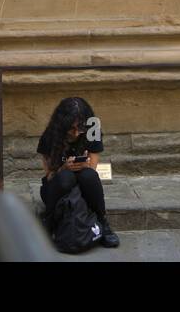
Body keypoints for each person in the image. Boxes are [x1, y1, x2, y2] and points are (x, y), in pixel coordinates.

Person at [36, 96, 120, 248]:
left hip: (82, 188)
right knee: (65, 177)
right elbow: (49, 176)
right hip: (56, 189)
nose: (75, 133)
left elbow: (93, 169)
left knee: (89, 175)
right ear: (62, 125)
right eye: (71, 128)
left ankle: (102, 222)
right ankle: (49, 221)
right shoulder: (50, 135)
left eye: (79, 128)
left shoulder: (91, 131)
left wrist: (85, 166)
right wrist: (63, 168)